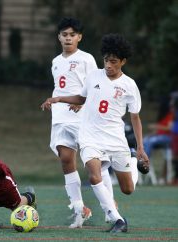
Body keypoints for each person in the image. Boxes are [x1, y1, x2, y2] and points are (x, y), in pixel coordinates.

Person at [41, 33, 150, 233]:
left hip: (116, 139)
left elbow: (135, 117)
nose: (108, 65)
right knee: (93, 175)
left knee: (127, 189)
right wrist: (58, 99)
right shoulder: (93, 77)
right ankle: (117, 219)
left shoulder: (129, 85)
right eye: (106, 60)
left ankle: (132, 160)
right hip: (90, 137)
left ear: (123, 61)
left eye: (114, 62)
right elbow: (81, 99)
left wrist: (140, 147)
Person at [45, 17, 113, 228]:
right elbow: (60, 88)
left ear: (79, 37)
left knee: (95, 163)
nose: (68, 38)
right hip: (60, 116)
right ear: (59, 37)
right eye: (64, 34)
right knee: (66, 159)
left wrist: (83, 105)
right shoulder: (56, 61)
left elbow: (96, 85)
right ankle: (79, 209)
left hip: (82, 117)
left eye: (72, 35)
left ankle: (111, 209)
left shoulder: (86, 59)